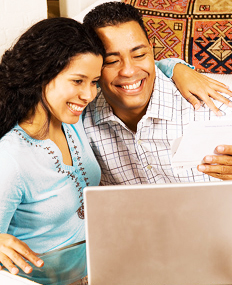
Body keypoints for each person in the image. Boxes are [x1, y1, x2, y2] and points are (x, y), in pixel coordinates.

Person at [0, 17, 104, 284]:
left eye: (94, 82)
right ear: (41, 73)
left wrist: (176, 69)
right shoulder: (10, 159)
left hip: (93, 271)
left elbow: (128, 76)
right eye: (78, 80)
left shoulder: (74, 118)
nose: (89, 94)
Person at [82, 1, 232, 185]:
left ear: (152, 52)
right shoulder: (80, 121)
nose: (128, 71)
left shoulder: (217, 109)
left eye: (139, 55)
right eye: (112, 61)